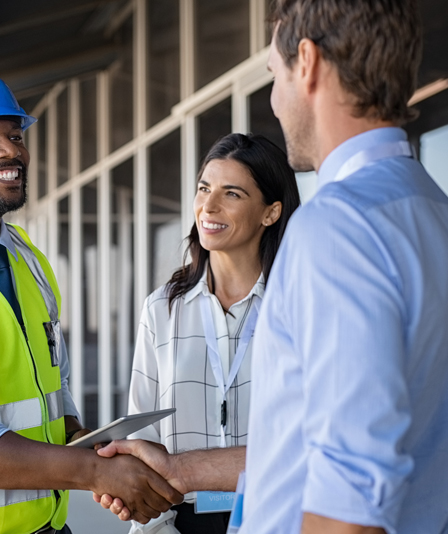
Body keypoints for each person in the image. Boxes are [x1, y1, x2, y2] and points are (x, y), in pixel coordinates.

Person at [98, 0, 448, 532]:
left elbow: (349, 488)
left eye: (273, 73)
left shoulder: (337, 229)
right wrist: (180, 470)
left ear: (305, 62)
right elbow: (307, 444)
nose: (274, 100)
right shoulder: (430, 208)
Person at [0, 60, 182, 534]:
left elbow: (51, 397)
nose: (11, 151)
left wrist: (98, 448)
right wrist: (95, 473)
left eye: (16, 135)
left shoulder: (28, 261)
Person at [124, 133, 299, 534]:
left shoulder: (297, 307)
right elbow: (142, 435)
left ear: (270, 213)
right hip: (184, 522)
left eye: (232, 193)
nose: (209, 206)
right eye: (204, 188)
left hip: (278, 518)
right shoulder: (161, 309)